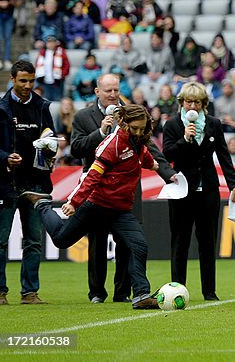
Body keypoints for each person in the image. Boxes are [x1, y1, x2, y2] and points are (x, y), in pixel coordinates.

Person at [21, 105, 162, 310]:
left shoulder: (139, 141)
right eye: (135, 128)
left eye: (142, 128)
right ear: (124, 124)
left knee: (139, 245)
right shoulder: (111, 146)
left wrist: (155, 166)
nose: (139, 132)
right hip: (96, 205)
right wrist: (74, 202)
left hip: (121, 211)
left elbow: (143, 157)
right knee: (61, 239)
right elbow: (92, 177)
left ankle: (140, 295)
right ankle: (43, 205)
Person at [69, 73, 175, 303]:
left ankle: (122, 292)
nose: (113, 95)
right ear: (97, 92)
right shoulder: (83, 116)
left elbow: (149, 148)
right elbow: (75, 149)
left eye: (116, 90)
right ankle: (97, 292)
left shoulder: (132, 114)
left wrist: (167, 172)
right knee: (97, 241)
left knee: (127, 242)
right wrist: (99, 133)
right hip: (98, 188)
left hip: (128, 189)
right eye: (108, 90)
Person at [162, 82, 235, 301]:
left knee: (207, 241)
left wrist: (234, 183)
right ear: (182, 103)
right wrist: (185, 139)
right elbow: (167, 155)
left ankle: (209, 291)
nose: (193, 106)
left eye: (197, 102)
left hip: (208, 190)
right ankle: (178, 289)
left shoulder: (214, 124)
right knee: (180, 240)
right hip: (181, 190)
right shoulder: (172, 125)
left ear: (204, 104)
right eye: (189, 101)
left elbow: (224, 155)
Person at [0, 61, 56, 305]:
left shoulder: (42, 107)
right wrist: (5, 157)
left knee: (33, 241)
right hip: (5, 183)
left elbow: (50, 136)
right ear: (11, 79)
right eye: (22, 81)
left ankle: (29, 292)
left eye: (31, 81)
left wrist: (52, 151)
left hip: (35, 183)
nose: (28, 86)